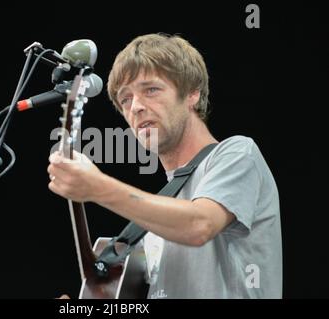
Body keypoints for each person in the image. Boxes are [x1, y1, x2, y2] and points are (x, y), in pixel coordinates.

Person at [47, 33, 282, 298]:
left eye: (151, 90)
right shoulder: (154, 226)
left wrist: (98, 187)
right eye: (125, 99)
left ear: (192, 93)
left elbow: (199, 225)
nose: (135, 106)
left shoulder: (238, 153)